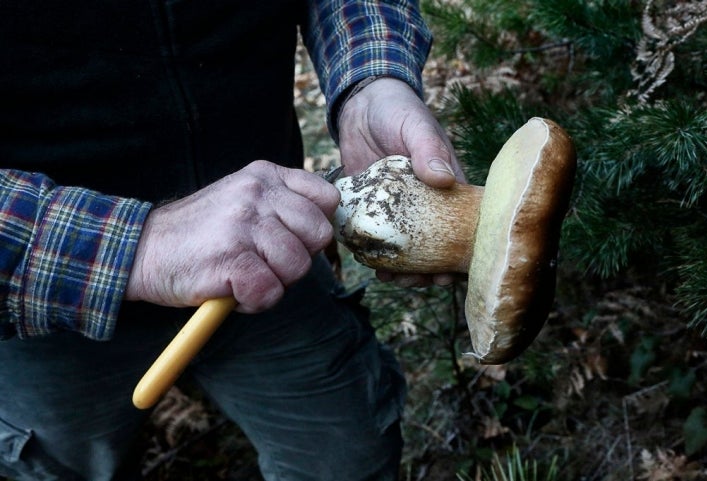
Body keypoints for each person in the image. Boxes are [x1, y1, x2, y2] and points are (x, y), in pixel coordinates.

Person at [0, 0, 464, 479]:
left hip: (271, 262)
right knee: (58, 464)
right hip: (47, 309)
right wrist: (142, 245)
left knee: (346, 456)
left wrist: (370, 79)